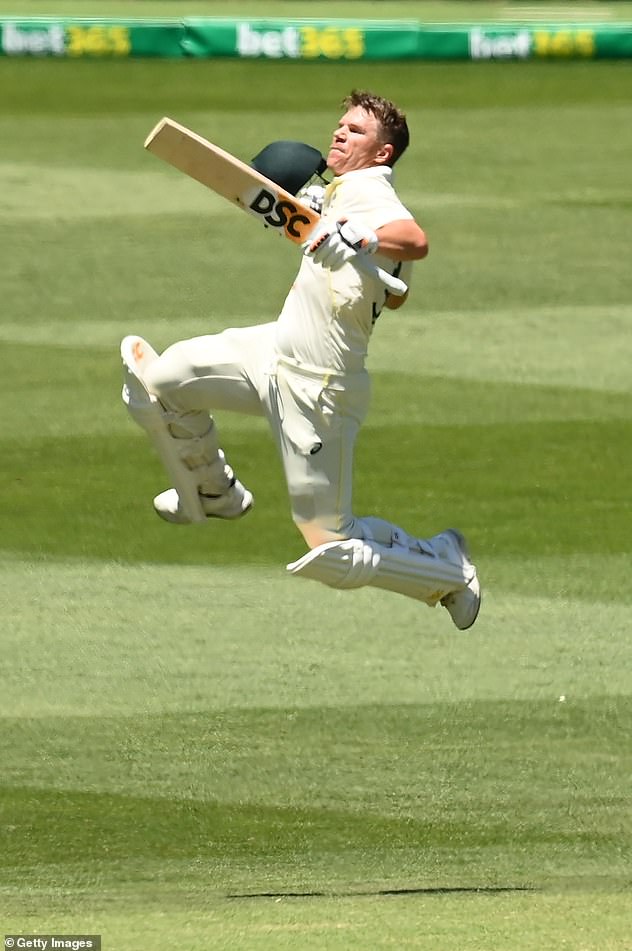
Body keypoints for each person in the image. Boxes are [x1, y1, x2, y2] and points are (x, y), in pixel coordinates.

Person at [121, 90, 481, 630]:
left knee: (331, 549)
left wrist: (362, 236)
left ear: (382, 154)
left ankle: (448, 571)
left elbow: (415, 239)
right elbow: (398, 294)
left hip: (320, 389)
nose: (340, 134)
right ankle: (214, 492)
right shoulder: (339, 192)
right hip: (273, 351)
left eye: (356, 131)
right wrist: (343, 239)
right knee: (162, 381)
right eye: (340, 125)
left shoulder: (370, 192)